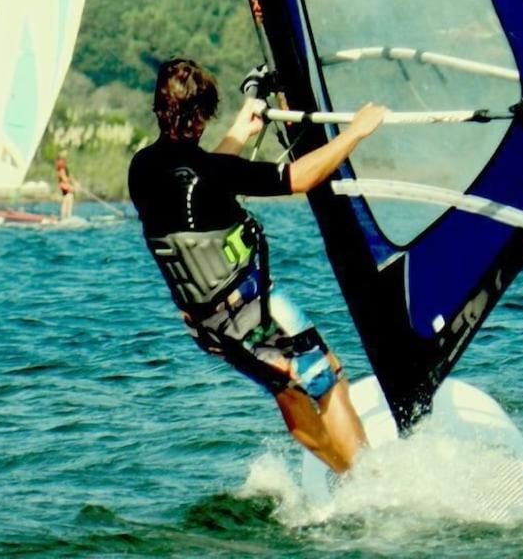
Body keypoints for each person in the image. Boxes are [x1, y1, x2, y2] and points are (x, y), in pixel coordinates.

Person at [128, 58, 387, 474]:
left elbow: (195, 176)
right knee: (325, 378)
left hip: (209, 328)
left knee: (286, 388)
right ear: (201, 117)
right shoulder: (211, 173)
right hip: (251, 311)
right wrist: (356, 131)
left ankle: (347, 476)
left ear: (160, 109)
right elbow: (300, 177)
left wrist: (236, 133)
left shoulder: (141, 169)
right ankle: (371, 480)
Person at [56, 154, 74, 219]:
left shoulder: (62, 170)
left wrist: (69, 179)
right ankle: (64, 219)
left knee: (66, 213)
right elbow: (65, 180)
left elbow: (65, 180)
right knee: (64, 213)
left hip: (68, 194)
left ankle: (65, 220)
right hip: (66, 194)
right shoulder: (60, 170)